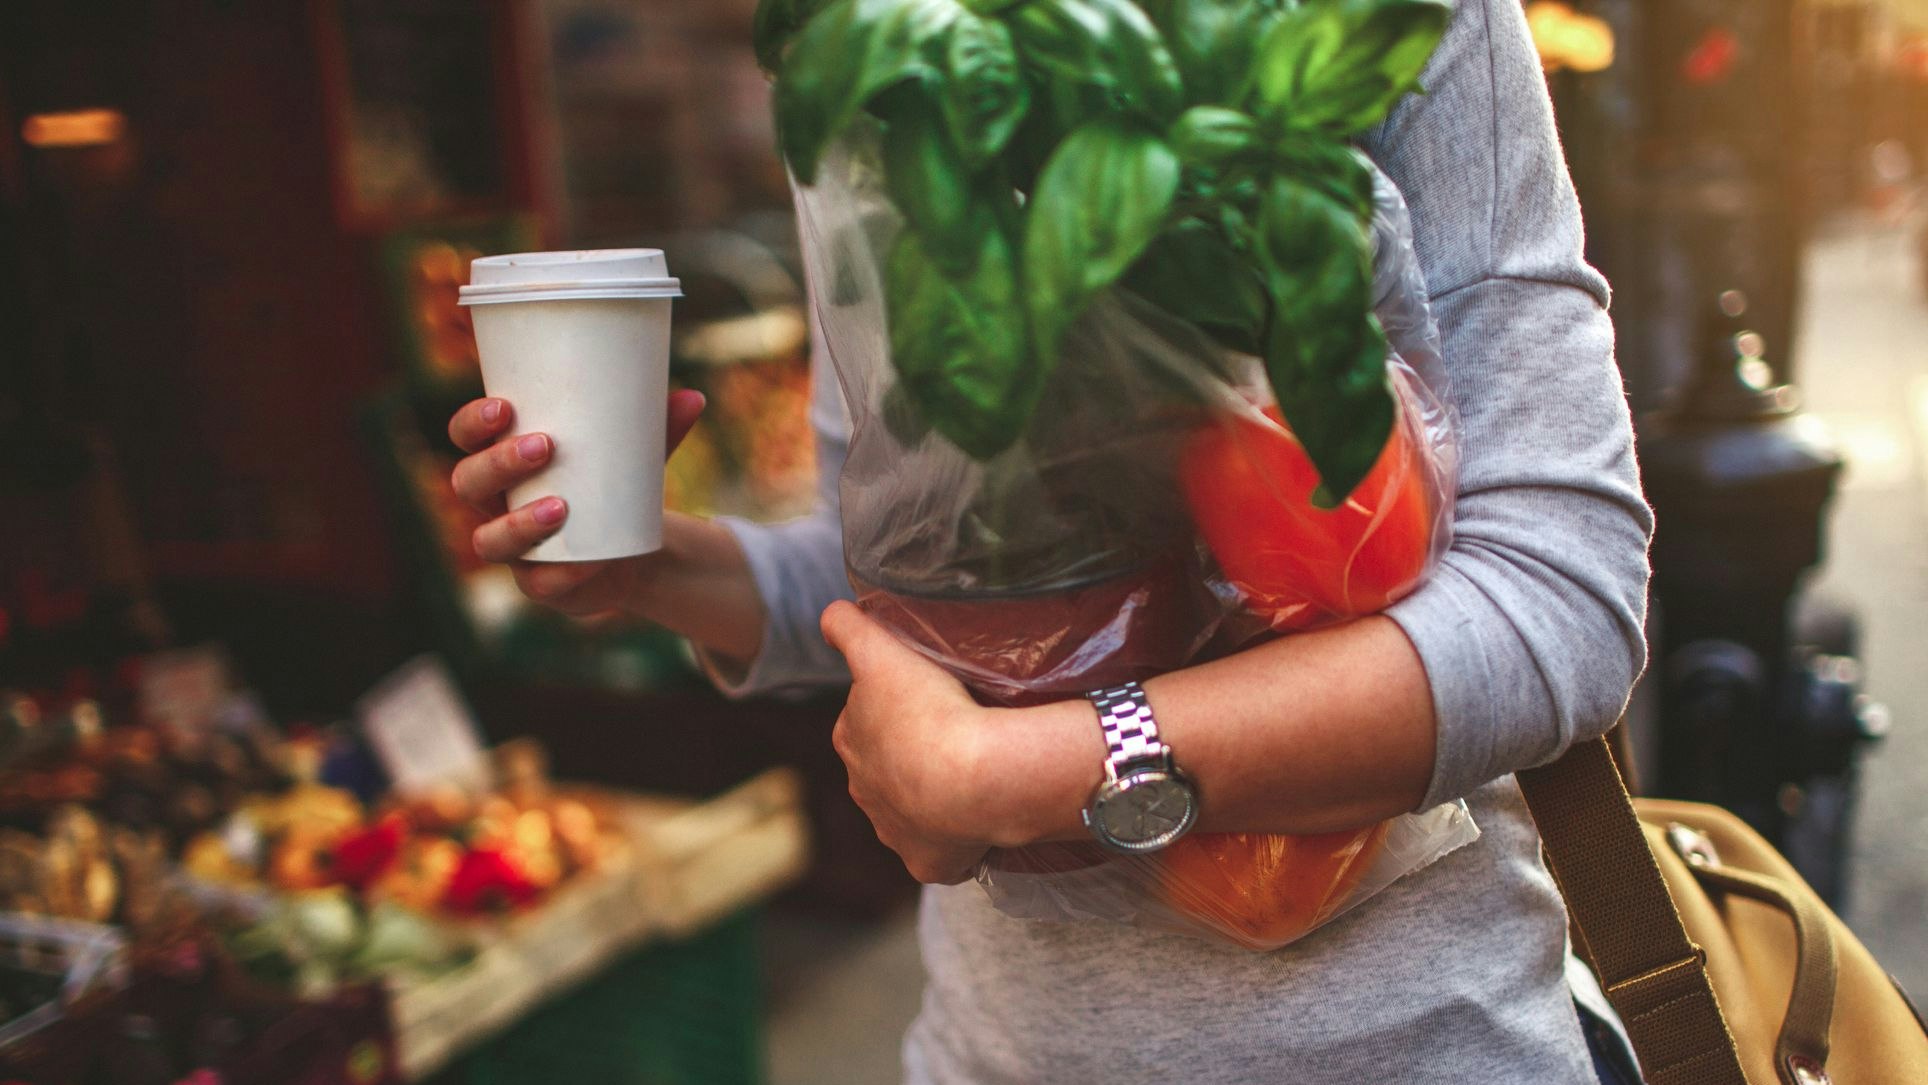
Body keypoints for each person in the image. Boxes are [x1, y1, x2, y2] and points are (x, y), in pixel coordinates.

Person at [448, 1, 1651, 1080]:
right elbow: (917, 589)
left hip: (1399, 1051)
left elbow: (1562, 598)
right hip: (992, 1051)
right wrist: (659, 565)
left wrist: (1018, 780)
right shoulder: (892, 51)